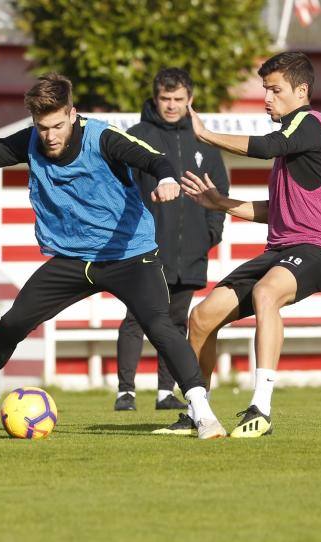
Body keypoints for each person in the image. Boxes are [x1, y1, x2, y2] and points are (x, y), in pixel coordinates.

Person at [0, 73, 226, 439]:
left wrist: (167, 180)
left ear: (72, 114)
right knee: (13, 322)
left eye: (58, 125)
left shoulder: (102, 137)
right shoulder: (31, 141)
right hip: (72, 260)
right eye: (42, 127)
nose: (50, 136)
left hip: (128, 254)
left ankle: (203, 414)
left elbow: (155, 160)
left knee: (160, 325)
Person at [157, 51, 321, 438]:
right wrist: (219, 203)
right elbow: (275, 211)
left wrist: (206, 135)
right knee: (201, 317)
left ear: (301, 91)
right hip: (283, 251)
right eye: (265, 89)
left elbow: (264, 146)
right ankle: (198, 413)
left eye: (275, 90)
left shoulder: (309, 124)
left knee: (267, 293)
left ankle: (260, 409)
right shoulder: (295, 144)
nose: (267, 98)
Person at [113, 68, 229, 412]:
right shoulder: (137, 135)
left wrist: (210, 233)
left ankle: (166, 391)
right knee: (136, 317)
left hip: (190, 252)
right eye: (166, 98)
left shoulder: (203, 142)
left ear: (190, 100)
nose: (172, 105)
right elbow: (121, 190)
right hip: (144, 250)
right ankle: (125, 392)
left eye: (179, 99)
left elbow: (219, 192)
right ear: (155, 98)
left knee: (177, 322)